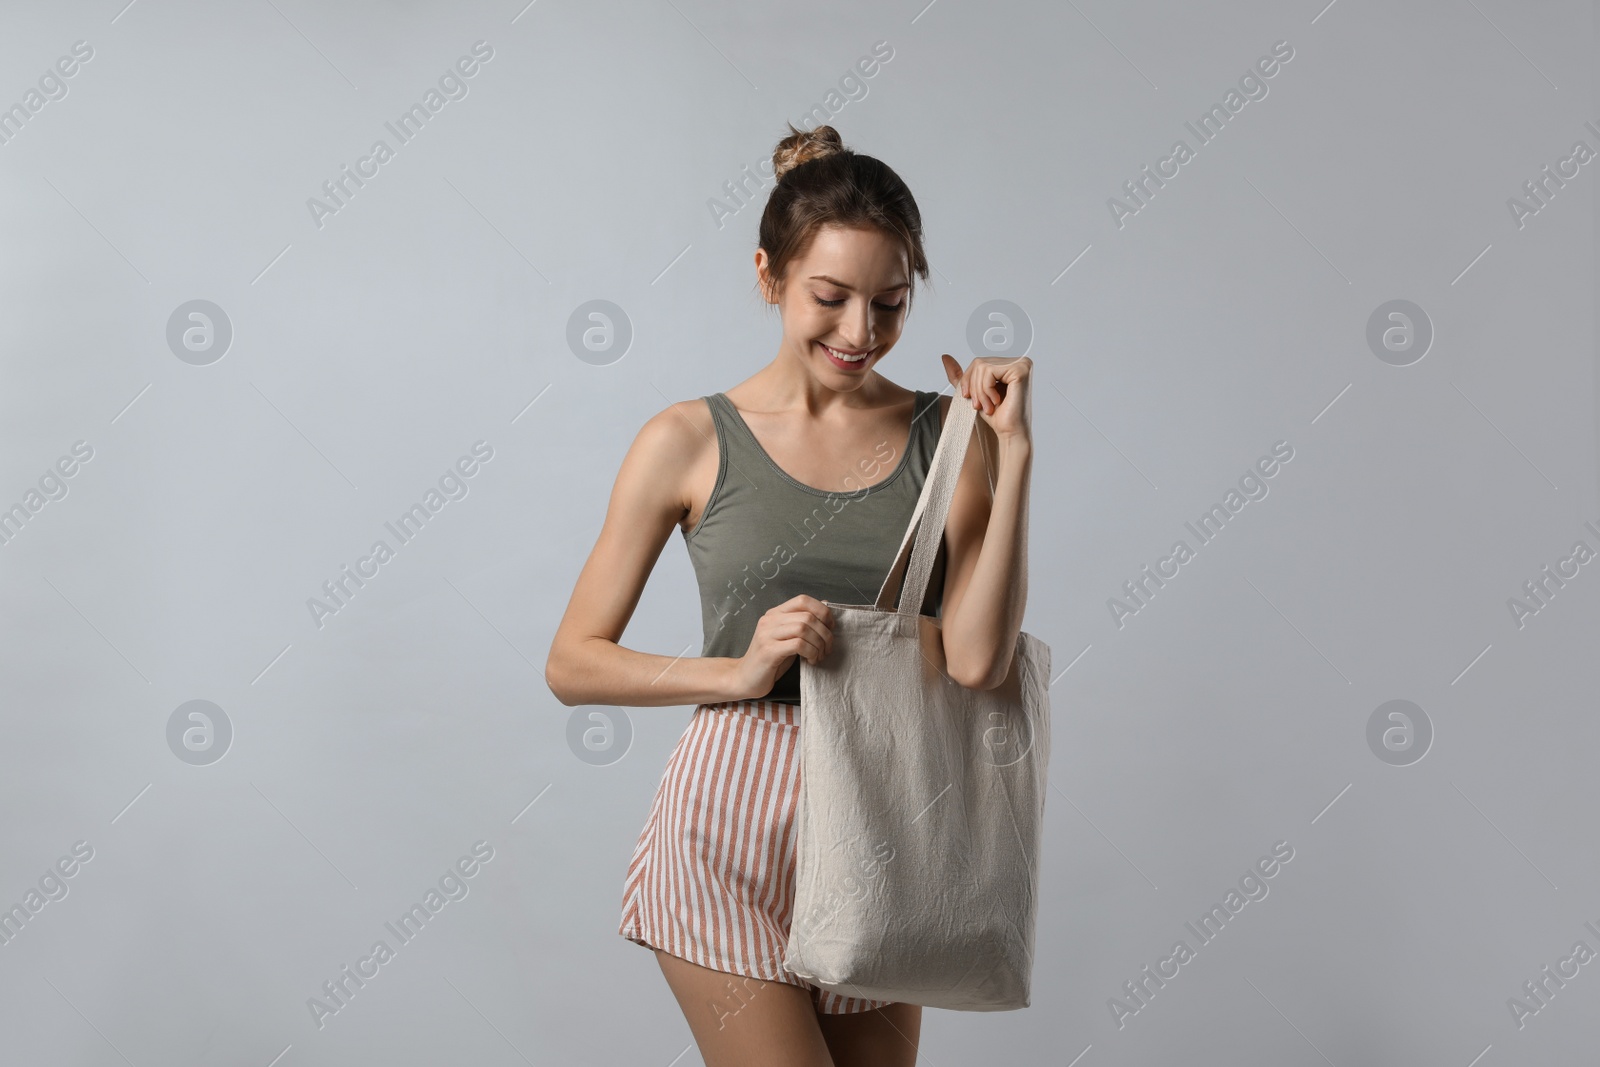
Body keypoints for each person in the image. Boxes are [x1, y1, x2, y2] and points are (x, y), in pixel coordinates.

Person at [545, 122, 1034, 1067]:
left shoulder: (952, 439)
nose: (860, 332)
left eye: (889, 304)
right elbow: (573, 661)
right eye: (829, 297)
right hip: (727, 827)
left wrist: (1012, 455)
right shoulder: (686, 440)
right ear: (768, 276)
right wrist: (736, 670)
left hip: (890, 825)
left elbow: (977, 659)